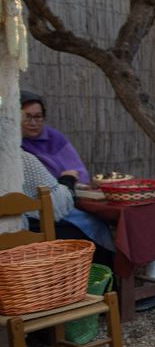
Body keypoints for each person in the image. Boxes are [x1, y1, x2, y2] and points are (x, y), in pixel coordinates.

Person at [20, 90, 115, 256]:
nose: (33, 122)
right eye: (27, 117)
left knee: (98, 221)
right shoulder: (15, 150)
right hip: (37, 213)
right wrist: (65, 180)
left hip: (67, 198)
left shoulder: (54, 138)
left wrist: (67, 182)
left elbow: (78, 172)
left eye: (38, 116)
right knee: (86, 229)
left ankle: (107, 273)